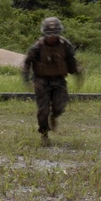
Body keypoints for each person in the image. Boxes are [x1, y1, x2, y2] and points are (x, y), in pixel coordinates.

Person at [23, 16, 80, 147]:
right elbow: (27, 63)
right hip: (41, 80)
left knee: (59, 107)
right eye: (49, 34)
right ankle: (44, 134)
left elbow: (71, 61)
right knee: (43, 110)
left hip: (59, 79)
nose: (52, 36)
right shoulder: (37, 46)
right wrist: (27, 78)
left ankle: (54, 116)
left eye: (55, 33)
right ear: (44, 33)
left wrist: (77, 72)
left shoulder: (65, 45)